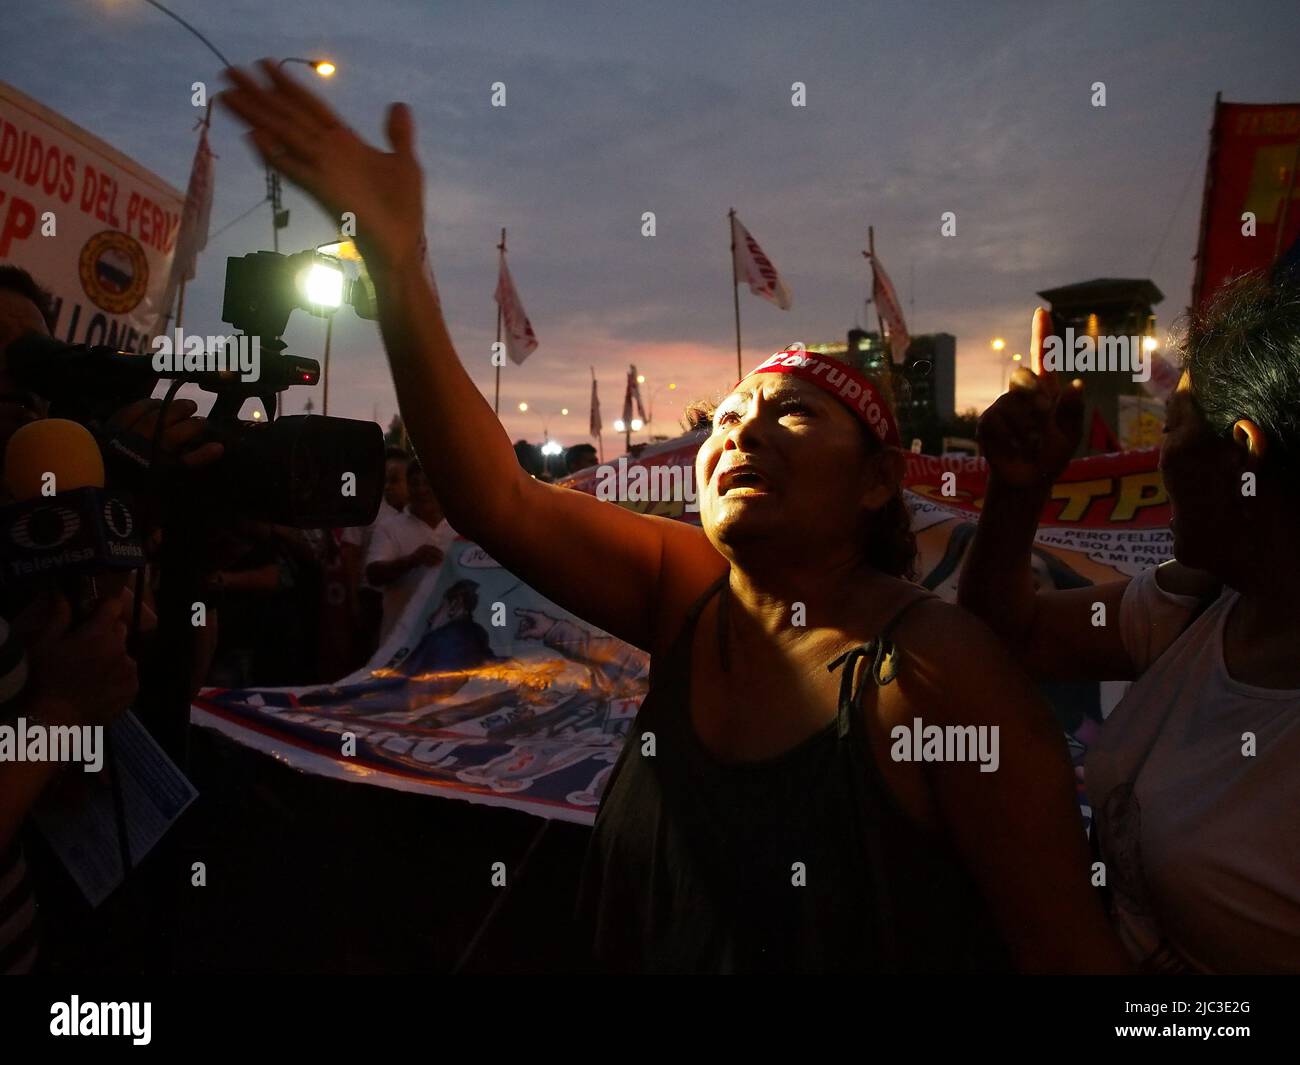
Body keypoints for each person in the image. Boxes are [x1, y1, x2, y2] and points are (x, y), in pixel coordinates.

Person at [220, 62, 1128, 973]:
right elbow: (494, 498)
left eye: (794, 414)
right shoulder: (690, 596)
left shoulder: (938, 673)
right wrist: (396, 264)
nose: (743, 433)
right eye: (728, 417)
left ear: (877, 481)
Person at [959, 278, 1300, 973]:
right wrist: (1018, 490)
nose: (1157, 460)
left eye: (1171, 424)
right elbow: (1005, 635)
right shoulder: (1201, 603)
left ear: (1243, 451)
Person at [364, 460, 456, 645]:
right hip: (399, 647)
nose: (421, 490)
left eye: (428, 483)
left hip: (448, 644)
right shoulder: (389, 527)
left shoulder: (462, 527)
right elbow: (373, 574)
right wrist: (412, 561)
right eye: (415, 483)